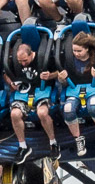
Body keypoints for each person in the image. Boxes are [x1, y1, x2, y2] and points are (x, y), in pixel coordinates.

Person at [4, 35, 59, 163]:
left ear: (31, 54)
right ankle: (23, 146)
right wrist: (11, 82)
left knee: (42, 112)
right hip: (24, 92)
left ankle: (53, 142)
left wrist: (50, 75)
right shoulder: (15, 61)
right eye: (20, 61)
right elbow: (5, 73)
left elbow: (61, 72)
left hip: (42, 90)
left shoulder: (44, 59)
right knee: (14, 114)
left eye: (25, 61)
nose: (22, 64)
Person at [58, 31, 95, 156]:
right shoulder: (71, 61)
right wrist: (62, 78)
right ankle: (78, 139)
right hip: (75, 89)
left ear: (87, 49)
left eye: (79, 51)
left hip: (94, 89)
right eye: (74, 51)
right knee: (67, 109)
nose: (76, 54)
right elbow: (64, 81)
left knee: (93, 107)